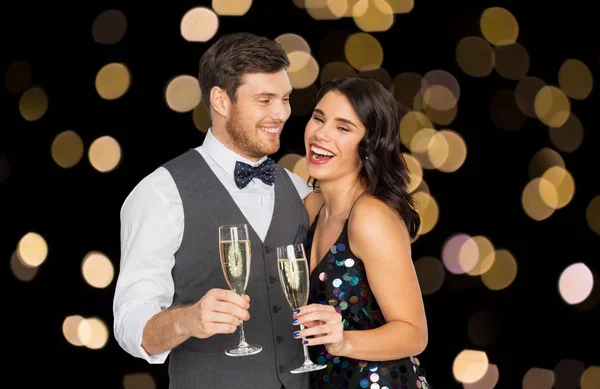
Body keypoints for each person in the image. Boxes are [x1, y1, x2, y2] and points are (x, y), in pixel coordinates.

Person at [113, 32, 314, 389]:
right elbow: (131, 324)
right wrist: (187, 320)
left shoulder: (301, 192)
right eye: (265, 100)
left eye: (285, 99)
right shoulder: (160, 193)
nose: (282, 113)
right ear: (221, 100)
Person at [292, 77, 433, 389]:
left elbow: (414, 332)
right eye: (319, 118)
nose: (321, 134)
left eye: (343, 128)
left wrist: (344, 342)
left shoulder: (370, 217)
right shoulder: (312, 206)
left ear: (368, 145)